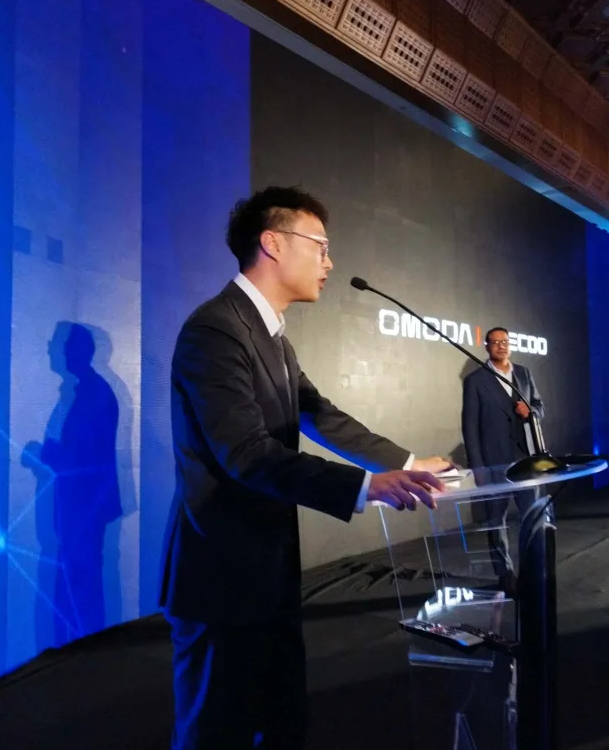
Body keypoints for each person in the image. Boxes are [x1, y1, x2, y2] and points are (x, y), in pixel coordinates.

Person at [161, 186, 452, 749]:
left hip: (268, 574)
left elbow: (320, 414)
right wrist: (367, 487)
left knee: (285, 723)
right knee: (215, 734)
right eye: (319, 245)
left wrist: (407, 463)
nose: (329, 261)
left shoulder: (273, 337)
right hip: (221, 579)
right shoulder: (215, 330)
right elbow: (245, 453)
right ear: (272, 243)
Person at [461, 327, 545, 596]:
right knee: (496, 522)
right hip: (494, 463)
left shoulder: (523, 374)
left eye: (505, 341)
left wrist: (530, 411)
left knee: (532, 517)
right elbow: (470, 427)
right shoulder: (475, 380)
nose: (501, 346)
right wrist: (478, 467)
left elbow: (539, 407)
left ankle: (531, 570)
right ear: (487, 347)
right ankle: (505, 575)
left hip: (525, 461)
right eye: (495, 342)